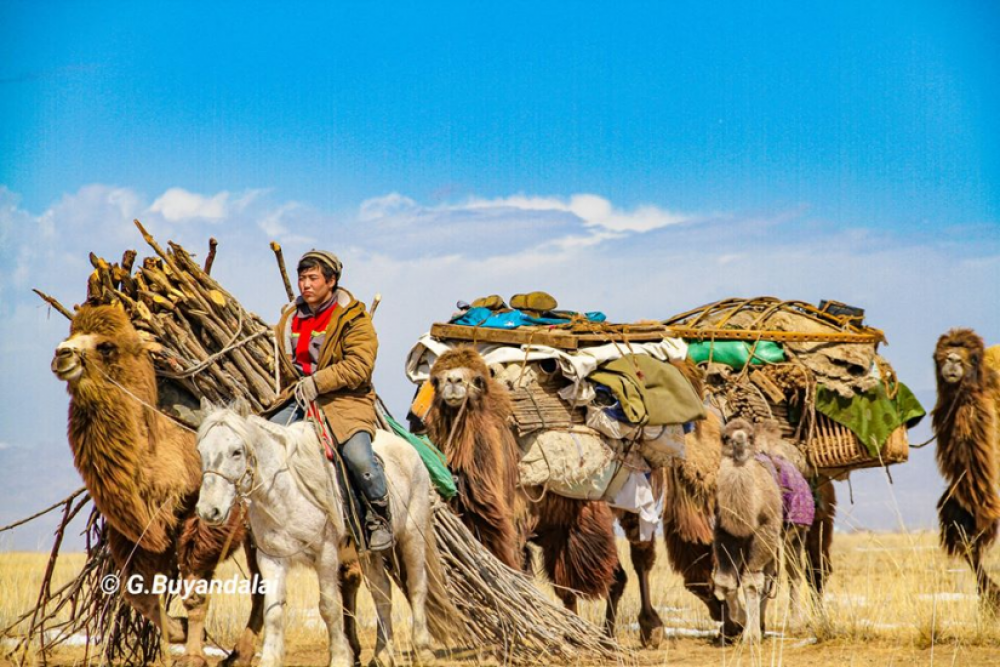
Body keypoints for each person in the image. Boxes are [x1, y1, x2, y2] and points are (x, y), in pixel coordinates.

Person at [269, 249, 392, 552]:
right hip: (299, 399)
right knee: (265, 441)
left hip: (346, 401)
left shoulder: (354, 319)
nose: (305, 285)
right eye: (302, 278)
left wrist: (318, 382)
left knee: (359, 458)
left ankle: (379, 517)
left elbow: (359, 366)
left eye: (313, 278)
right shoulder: (289, 319)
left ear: (332, 281)